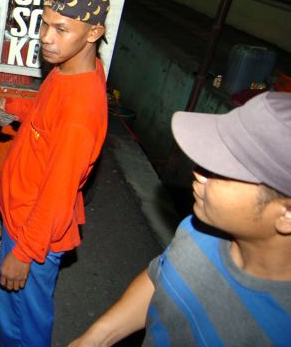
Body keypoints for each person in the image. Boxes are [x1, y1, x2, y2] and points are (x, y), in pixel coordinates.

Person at [69, 91, 291, 347]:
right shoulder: (198, 229)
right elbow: (163, 276)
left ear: (286, 214)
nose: (198, 173)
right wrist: (98, 336)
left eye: (224, 170)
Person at [0, 0, 112, 346]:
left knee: (31, 321)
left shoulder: (81, 111)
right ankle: (6, 315)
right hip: (20, 213)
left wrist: (25, 253)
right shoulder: (67, 69)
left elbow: (57, 193)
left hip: (34, 232)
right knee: (14, 301)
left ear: (93, 32)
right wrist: (8, 106)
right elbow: (41, 112)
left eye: (61, 29)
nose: (45, 37)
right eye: (44, 23)